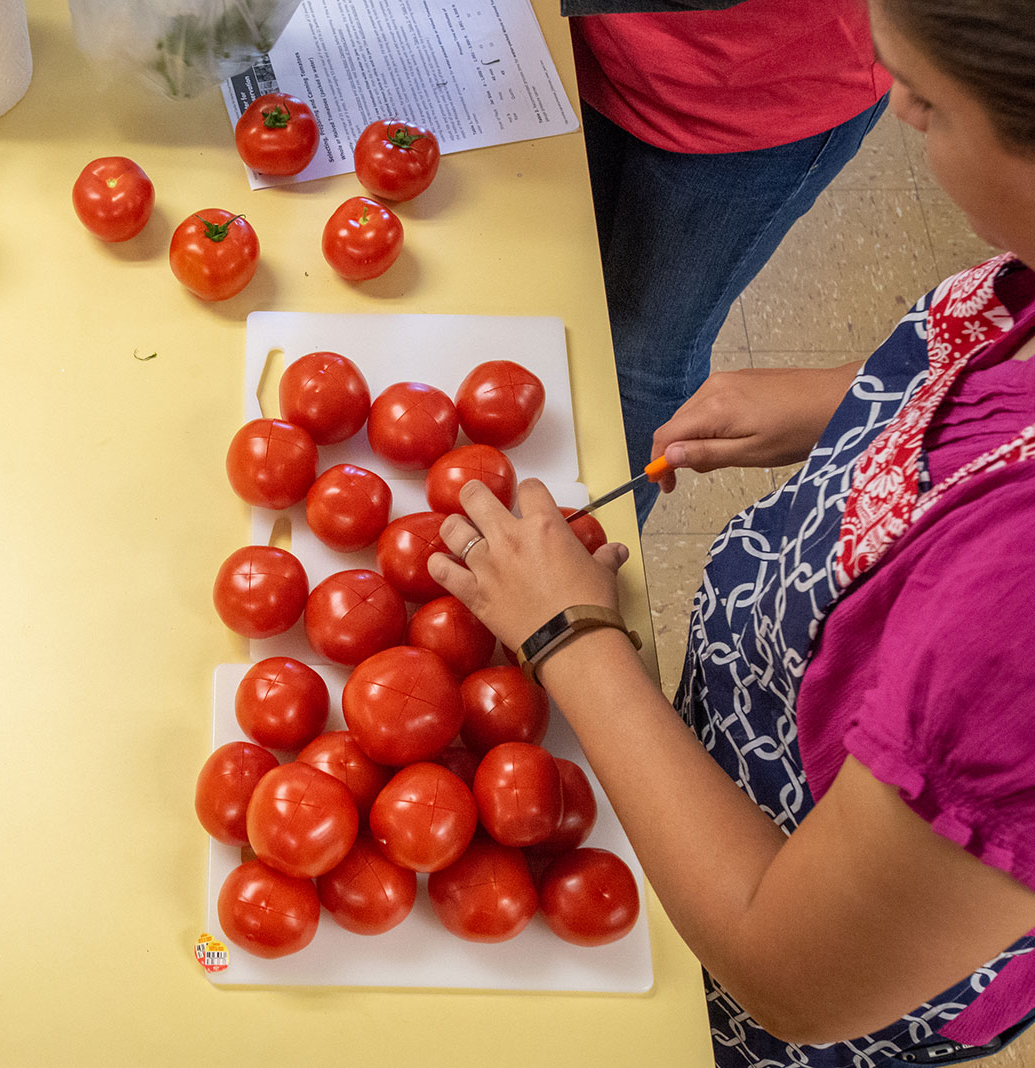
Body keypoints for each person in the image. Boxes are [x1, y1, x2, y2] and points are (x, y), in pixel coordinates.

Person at [429, 1, 1035, 1064]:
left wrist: (571, 636)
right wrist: (851, 403)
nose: (892, 111)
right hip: (723, 745)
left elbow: (790, 970)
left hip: (791, 922)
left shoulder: (1014, 628)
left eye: (930, 103)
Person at [562, 0, 893, 523]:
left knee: (643, 360)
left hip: (765, 96)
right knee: (573, 291)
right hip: (603, 43)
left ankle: (592, 538)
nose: (917, 113)